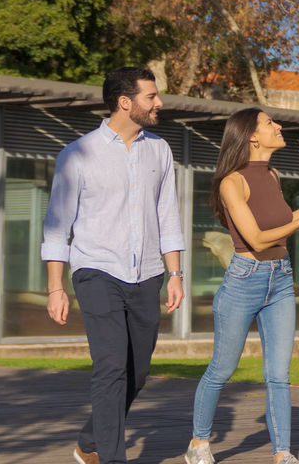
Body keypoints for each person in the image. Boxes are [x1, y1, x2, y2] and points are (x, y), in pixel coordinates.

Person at [42, 67, 185, 464]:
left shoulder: (160, 150)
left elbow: (167, 216)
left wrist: (175, 274)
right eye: (151, 96)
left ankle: (90, 444)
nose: (159, 103)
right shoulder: (77, 154)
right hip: (96, 270)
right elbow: (57, 228)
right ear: (126, 102)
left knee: (136, 372)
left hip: (149, 274)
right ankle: (112, 458)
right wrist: (56, 288)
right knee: (110, 368)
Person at [186, 109, 299, 464]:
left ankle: (282, 453)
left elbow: (278, 228)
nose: (278, 126)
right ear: (251, 136)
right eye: (270, 123)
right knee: (221, 369)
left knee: (278, 373)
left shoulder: (273, 173)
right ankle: (198, 444)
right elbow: (254, 238)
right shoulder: (231, 182)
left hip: (281, 278)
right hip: (244, 279)